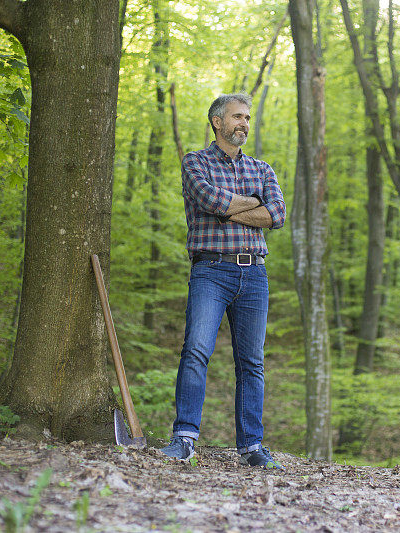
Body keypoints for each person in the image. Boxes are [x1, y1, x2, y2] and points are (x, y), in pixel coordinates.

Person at [160, 93, 286, 469]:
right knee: (196, 351)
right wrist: (250, 202)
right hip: (210, 271)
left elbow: (277, 214)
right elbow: (209, 200)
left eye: (247, 117)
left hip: (255, 275)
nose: (243, 123)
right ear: (217, 122)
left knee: (252, 363)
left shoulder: (262, 168)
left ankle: (251, 447)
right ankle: (184, 439)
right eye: (237, 116)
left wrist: (232, 206)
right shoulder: (195, 162)